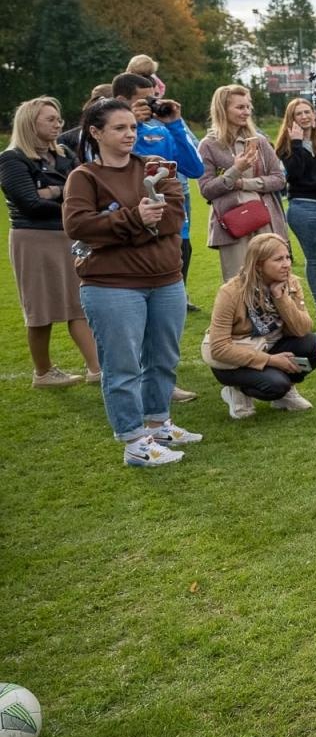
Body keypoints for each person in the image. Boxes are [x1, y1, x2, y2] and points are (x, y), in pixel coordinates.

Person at [63, 98, 202, 467]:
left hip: (166, 280)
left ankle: (158, 425)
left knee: (163, 358)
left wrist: (127, 226)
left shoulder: (154, 168)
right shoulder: (85, 177)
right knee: (122, 366)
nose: (130, 134)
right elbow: (78, 227)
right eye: (119, 128)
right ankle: (133, 441)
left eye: (133, 128)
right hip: (111, 285)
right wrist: (138, 220)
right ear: (96, 132)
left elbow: (174, 218)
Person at [2, 96, 100, 388]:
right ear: (30, 123)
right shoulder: (12, 158)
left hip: (70, 234)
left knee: (78, 301)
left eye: (58, 119)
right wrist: (65, 195)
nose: (58, 124)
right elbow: (30, 203)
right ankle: (43, 373)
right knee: (40, 308)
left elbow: (84, 188)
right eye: (50, 119)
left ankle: (96, 368)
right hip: (33, 238)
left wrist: (51, 190)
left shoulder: (64, 153)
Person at [111, 70, 205, 319]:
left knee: (168, 314)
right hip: (132, 226)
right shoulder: (106, 135)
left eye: (154, 99)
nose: (152, 106)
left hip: (172, 228)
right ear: (122, 100)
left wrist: (174, 125)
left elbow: (195, 168)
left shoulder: (161, 132)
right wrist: (133, 124)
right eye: (144, 101)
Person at [204, 233, 316, 418]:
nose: (287, 264)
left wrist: (281, 299)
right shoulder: (231, 292)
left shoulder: (290, 283)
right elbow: (218, 348)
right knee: (276, 385)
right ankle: (236, 391)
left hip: (270, 346)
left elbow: (302, 329)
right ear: (258, 264)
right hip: (233, 361)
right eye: (278, 259)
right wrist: (272, 361)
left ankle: (284, 394)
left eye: (287, 257)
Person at [198, 85, 290, 281]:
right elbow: (206, 189)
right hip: (233, 225)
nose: (246, 112)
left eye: (248, 107)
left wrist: (243, 184)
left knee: (274, 282)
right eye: (240, 107)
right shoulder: (208, 145)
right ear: (223, 109)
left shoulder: (260, 141)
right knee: (239, 283)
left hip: (265, 219)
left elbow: (279, 179)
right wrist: (235, 170)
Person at [275, 97, 316, 309]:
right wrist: (296, 144)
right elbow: (295, 173)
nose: (304, 116)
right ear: (291, 119)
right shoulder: (286, 147)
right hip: (304, 206)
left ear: (314, 115)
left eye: (307, 112)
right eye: (299, 113)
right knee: (314, 259)